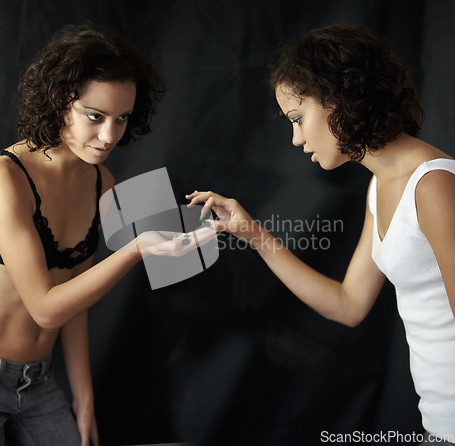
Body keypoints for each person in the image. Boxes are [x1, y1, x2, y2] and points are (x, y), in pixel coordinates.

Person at [186, 23, 455, 446]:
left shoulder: (433, 183)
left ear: (339, 98)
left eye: (298, 118)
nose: (296, 138)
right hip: (438, 424)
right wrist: (255, 234)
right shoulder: (380, 187)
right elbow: (348, 305)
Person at [0, 22, 198, 446]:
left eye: (122, 119)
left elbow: (74, 301)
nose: (109, 136)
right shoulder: (3, 180)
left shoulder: (100, 182)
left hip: (38, 379)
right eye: (95, 116)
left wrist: (84, 400)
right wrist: (136, 248)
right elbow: (46, 309)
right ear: (58, 102)